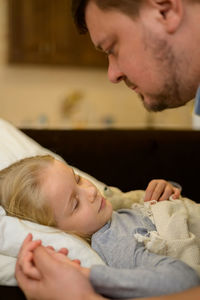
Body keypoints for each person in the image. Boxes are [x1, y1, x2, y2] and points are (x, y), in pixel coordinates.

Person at [16, 0, 200, 298]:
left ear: (165, 9)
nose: (111, 74)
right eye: (74, 203)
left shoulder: (114, 204)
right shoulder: (110, 240)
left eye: (112, 47)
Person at [1, 155, 198, 299]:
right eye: (75, 203)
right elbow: (186, 280)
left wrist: (165, 193)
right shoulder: (113, 243)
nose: (90, 191)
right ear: (61, 231)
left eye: (77, 179)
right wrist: (89, 276)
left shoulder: (108, 210)